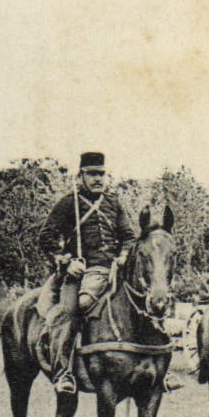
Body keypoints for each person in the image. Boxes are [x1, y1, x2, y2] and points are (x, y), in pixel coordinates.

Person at [38, 152, 140, 394]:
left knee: (146, 301)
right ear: (81, 176)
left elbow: (129, 237)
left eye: (101, 174)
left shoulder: (114, 203)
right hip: (82, 272)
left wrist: (124, 255)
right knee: (76, 307)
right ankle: (64, 372)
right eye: (92, 174)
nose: (98, 179)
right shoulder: (68, 203)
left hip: (114, 271)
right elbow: (47, 238)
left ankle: (157, 369)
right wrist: (65, 262)